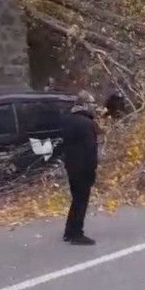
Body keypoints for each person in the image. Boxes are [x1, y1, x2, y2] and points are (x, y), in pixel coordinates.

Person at [60, 91, 100, 246]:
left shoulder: (68, 120)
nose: (94, 107)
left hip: (71, 167)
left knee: (76, 200)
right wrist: (93, 169)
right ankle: (77, 234)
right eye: (92, 104)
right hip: (84, 169)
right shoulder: (86, 123)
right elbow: (90, 149)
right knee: (81, 201)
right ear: (84, 105)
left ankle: (69, 231)